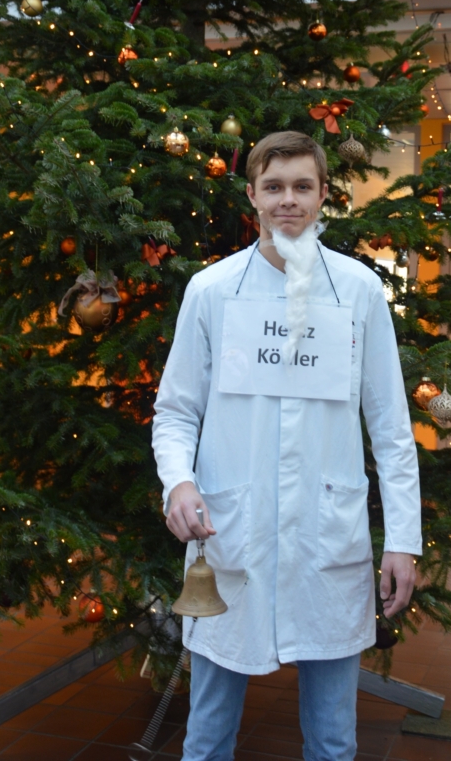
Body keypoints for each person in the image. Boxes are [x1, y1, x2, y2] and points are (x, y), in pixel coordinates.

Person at [152, 131, 421, 761]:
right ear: (252, 195)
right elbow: (176, 410)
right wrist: (179, 482)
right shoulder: (212, 290)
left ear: (324, 194)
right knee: (207, 735)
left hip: (326, 538)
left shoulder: (357, 291)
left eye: (302, 186)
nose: (288, 200)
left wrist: (403, 539)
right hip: (231, 534)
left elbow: (390, 427)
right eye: (273, 187)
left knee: (332, 738)